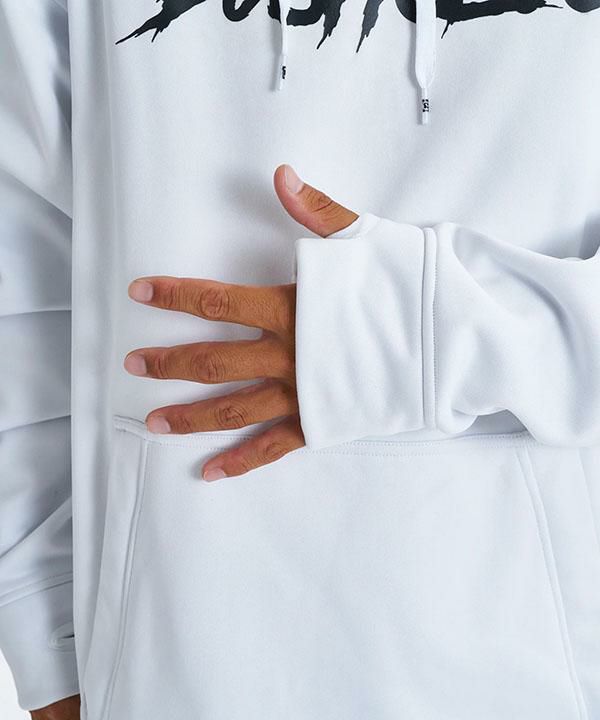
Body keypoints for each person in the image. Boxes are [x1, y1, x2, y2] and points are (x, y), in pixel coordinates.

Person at [1, 0, 600, 718]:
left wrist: (408, 333)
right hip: (178, 652)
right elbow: (24, 231)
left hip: (533, 664)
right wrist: (42, 625)